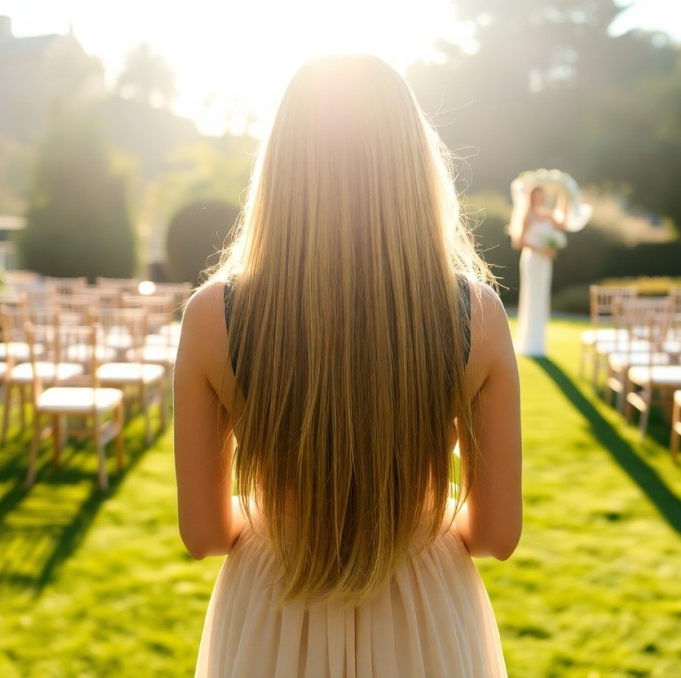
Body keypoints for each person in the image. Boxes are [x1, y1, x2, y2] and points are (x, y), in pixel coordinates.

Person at [174, 55, 522, 677]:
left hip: (274, 607)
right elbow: (497, 535)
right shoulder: (478, 316)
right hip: (423, 612)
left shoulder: (212, 316)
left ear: (281, 165)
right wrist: (406, 521)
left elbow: (202, 535)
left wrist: (293, 518)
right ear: (414, 164)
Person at [509, 184, 568, 357]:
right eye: (537, 195)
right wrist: (542, 250)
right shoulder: (527, 215)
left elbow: (562, 223)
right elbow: (519, 242)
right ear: (532, 196)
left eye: (542, 195)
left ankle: (538, 342)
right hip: (533, 260)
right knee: (531, 297)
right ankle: (528, 342)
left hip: (545, 262)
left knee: (541, 297)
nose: (540, 198)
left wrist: (564, 198)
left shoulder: (547, 214)